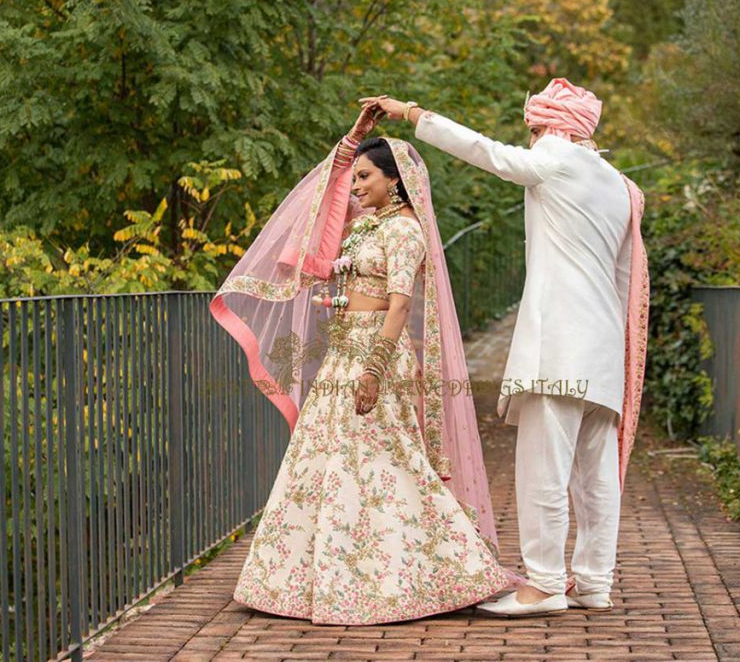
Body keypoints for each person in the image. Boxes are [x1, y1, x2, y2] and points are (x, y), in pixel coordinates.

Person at [209, 104, 522, 625]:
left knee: (388, 461)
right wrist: (353, 140)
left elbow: (400, 304)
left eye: (365, 176)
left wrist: (374, 368)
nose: (355, 186)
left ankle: (450, 570)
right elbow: (323, 206)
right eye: (354, 177)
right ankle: (319, 579)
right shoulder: (369, 227)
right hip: (345, 352)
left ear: (394, 181)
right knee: (328, 460)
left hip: (376, 357)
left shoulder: (403, 232)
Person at [362, 78, 649, 617]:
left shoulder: (556, 156)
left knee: (543, 466)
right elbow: (623, 278)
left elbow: (488, 154)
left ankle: (542, 584)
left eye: (536, 124)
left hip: (559, 346)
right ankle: (593, 584)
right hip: (605, 348)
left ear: (553, 125)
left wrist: (412, 114)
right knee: (596, 474)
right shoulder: (619, 184)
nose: (532, 133)